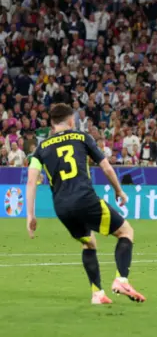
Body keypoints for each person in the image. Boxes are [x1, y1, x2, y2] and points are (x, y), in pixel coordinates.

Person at [26, 103, 145, 305]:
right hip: (84, 199)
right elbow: (106, 168)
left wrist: (30, 215)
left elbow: (31, 182)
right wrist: (119, 190)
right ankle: (121, 280)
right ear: (71, 120)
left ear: (52, 125)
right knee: (126, 232)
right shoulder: (81, 137)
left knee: (88, 242)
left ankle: (97, 294)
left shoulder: (41, 149)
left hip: (62, 207)